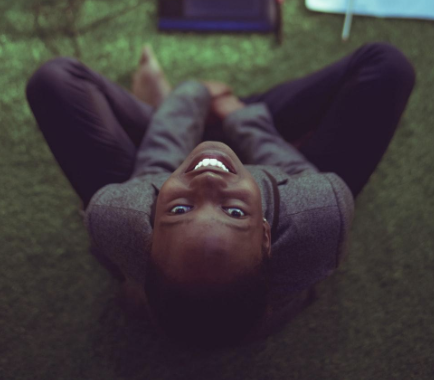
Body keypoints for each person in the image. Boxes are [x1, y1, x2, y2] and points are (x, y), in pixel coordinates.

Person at [25, 41, 416, 350]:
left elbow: (160, 162)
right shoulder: (319, 212)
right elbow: (290, 168)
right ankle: (224, 115)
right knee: (388, 66)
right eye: (233, 211)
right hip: (271, 152)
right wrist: (236, 114)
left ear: (146, 235)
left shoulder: (118, 215)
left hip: (169, 161)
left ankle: (164, 108)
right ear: (267, 235)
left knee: (53, 79)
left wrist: (191, 96)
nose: (208, 183)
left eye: (180, 208)